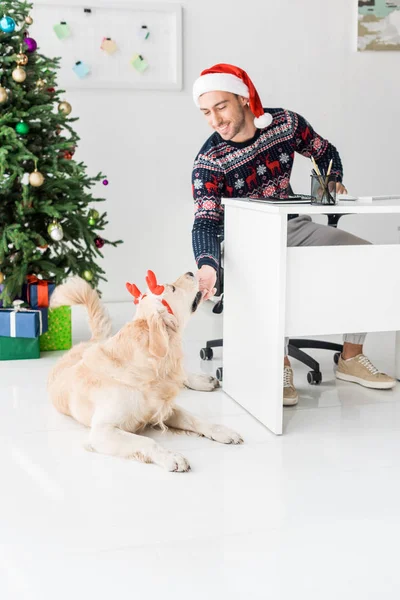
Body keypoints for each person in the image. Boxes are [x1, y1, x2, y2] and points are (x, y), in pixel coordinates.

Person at [191, 63, 395, 406]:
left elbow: (324, 152)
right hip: (241, 240)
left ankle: (350, 357)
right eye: (206, 112)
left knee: (367, 258)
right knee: (273, 276)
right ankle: (277, 364)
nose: (214, 120)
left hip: (292, 226)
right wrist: (208, 264)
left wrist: (332, 180)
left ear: (244, 98)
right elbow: (206, 223)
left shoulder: (285, 124)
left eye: (221, 107)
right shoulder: (210, 160)